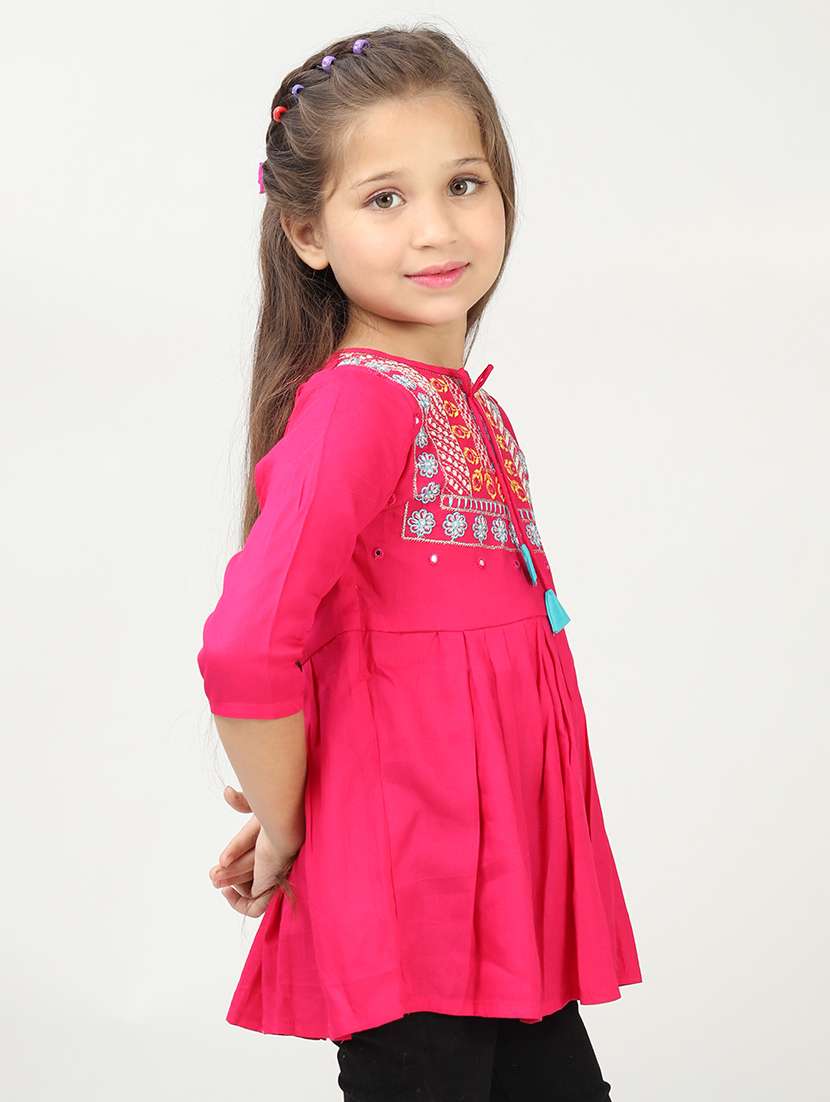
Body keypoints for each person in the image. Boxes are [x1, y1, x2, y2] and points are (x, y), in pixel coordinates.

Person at [196, 22, 643, 1100]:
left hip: (501, 904)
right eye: (384, 198)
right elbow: (245, 648)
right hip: (413, 908)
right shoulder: (357, 408)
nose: (436, 228)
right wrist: (294, 829)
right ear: (307, 231)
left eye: (463, 183)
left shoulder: (464, 407)